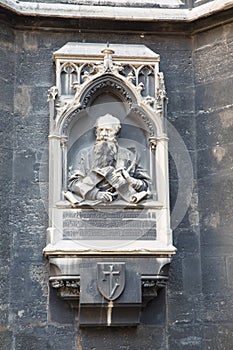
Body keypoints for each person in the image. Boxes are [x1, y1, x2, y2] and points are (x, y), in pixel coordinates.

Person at [66, 114, 151, 204]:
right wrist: (95, 194)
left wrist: (129, 180)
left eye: (108, 130)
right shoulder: (84, 154)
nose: (103, 134)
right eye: (100, 130)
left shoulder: (130, 156)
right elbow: (73, 184)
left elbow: (146, 185)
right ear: (96, 133)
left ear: (116, 133)